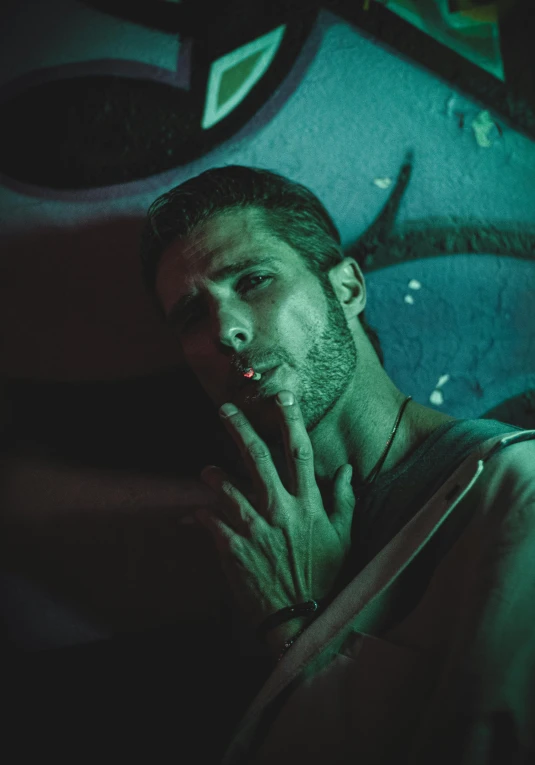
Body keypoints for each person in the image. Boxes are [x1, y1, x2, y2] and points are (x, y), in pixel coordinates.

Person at [138, 165, 535, 764]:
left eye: (254, 280)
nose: (226, 330)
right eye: (193, 315)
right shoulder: (247, 548)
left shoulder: (515, 491)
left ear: (346, 290)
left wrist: (295, 623)